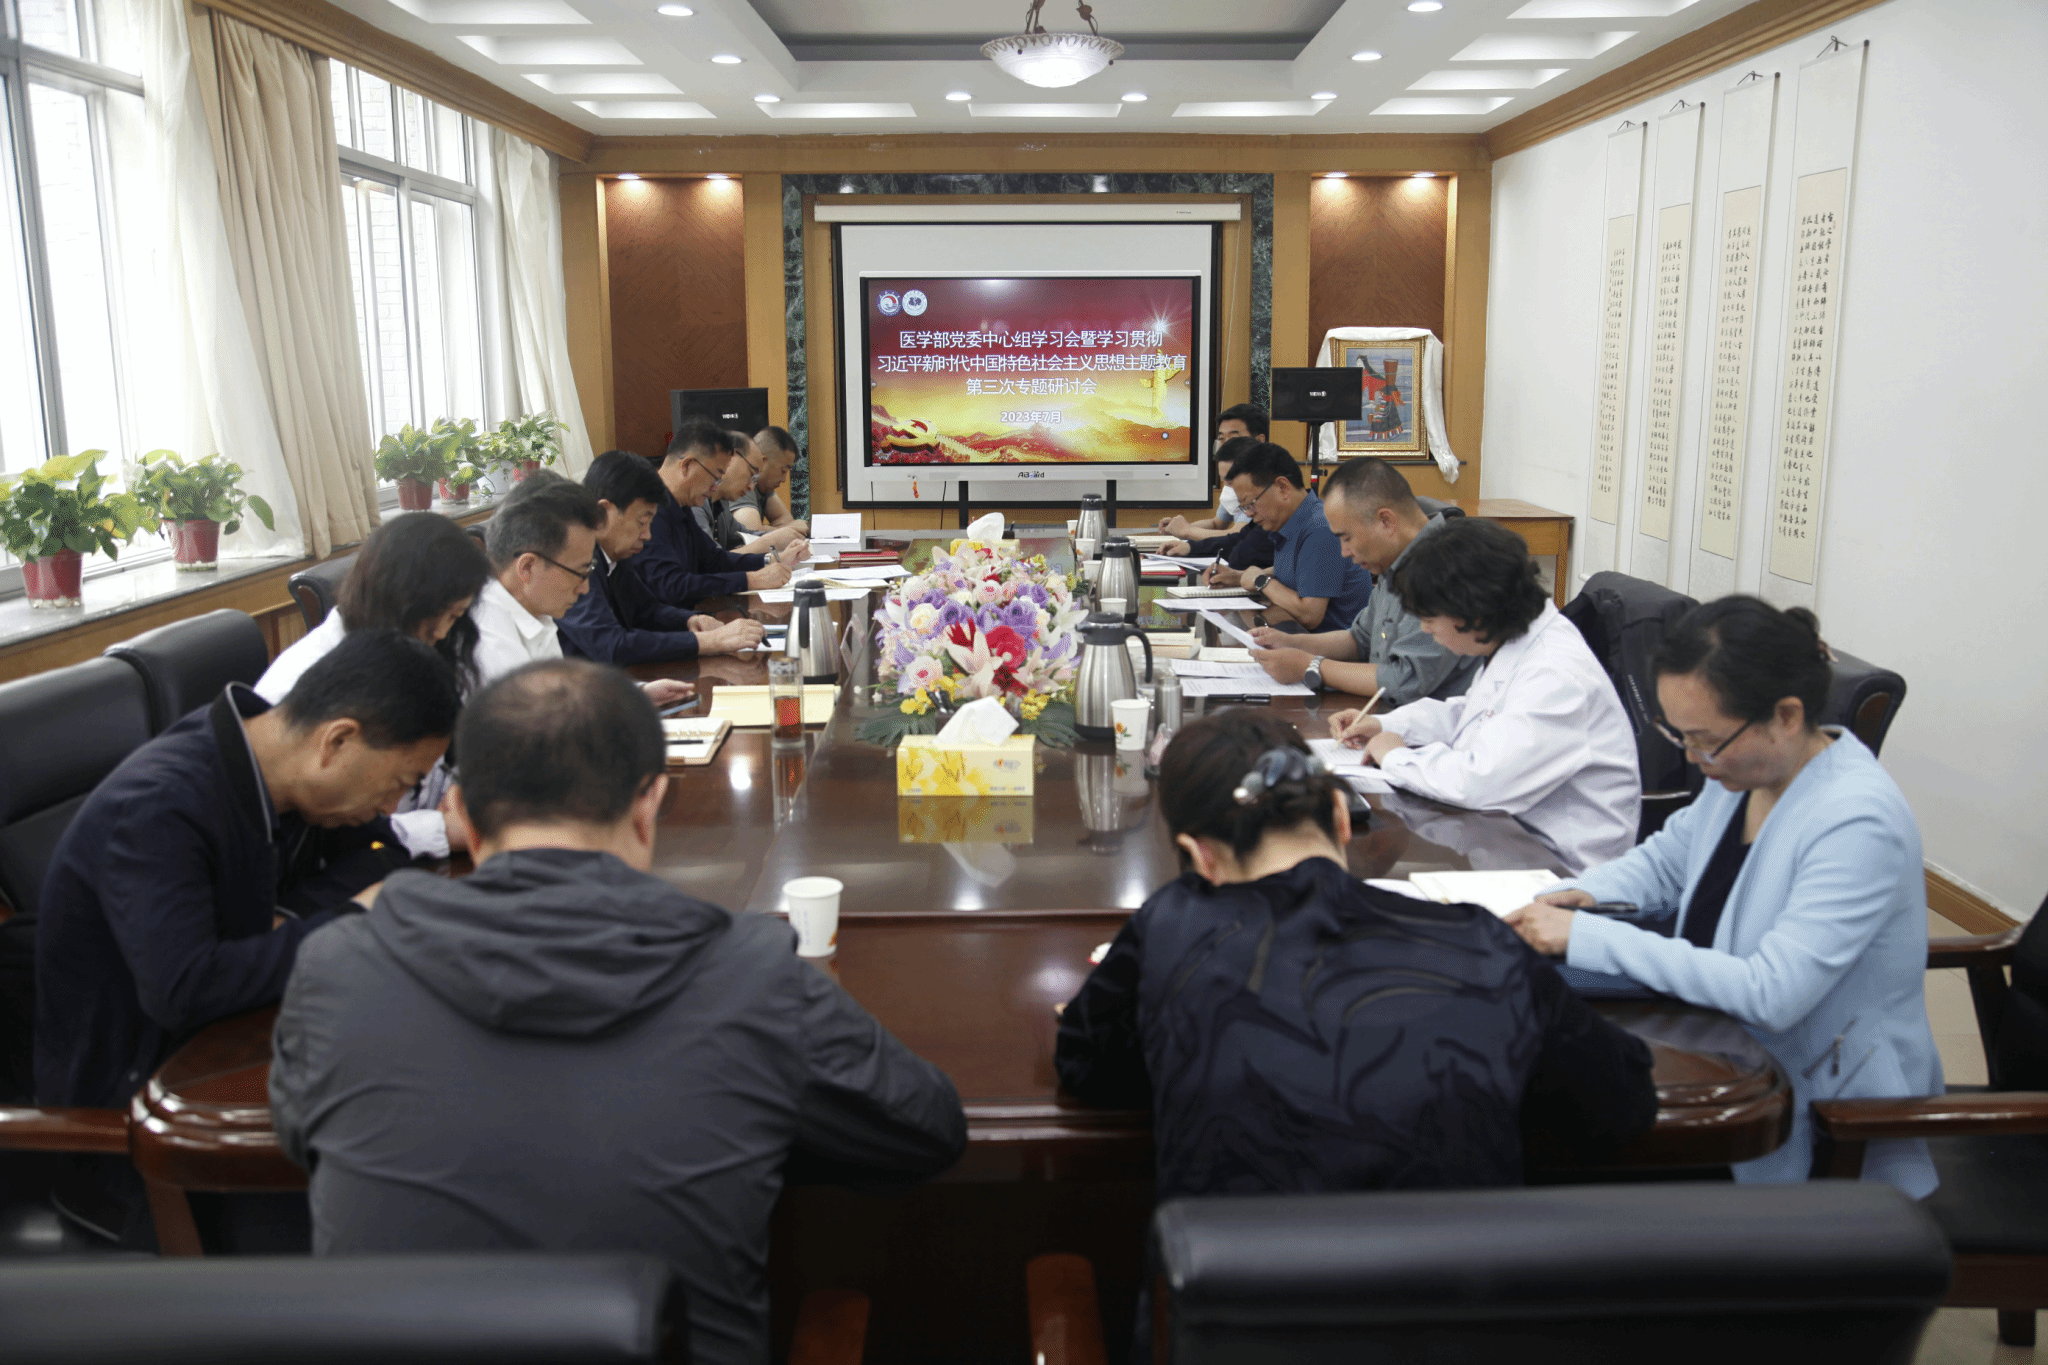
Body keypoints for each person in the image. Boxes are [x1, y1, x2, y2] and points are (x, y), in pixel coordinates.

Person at [272, 659, 968, 1364]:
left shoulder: (336, 968)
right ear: (650, 802)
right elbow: (927, 1128)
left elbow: (304, 1135)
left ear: (461, 814)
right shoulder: (751, 974)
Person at [1055, 710, 1657, 1205]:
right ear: (1343, 819)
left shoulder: (1174, 926)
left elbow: (1086, 1065)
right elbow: (1621, 1105)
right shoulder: (1482, 944)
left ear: (1198, 856)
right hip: (1466, 1305)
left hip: (1237, 1307)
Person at [1504, 598, 1942, 1195]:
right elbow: (1666, 862)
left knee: (1556, 1155)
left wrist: (1589, 937)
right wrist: (1572, 897)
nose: (1692, 759)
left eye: (1704, 740)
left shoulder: (1856, 821)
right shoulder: (1749, 770)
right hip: (1720, 1041)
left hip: (1815, 1112)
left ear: (1786, 716)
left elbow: (1771, 993)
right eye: (1680, 736)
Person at [37, 628, 459, 1116]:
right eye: (399, 783)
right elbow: (187, 990)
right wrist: (349, 919)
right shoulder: (159, 808)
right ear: (338, 740)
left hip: (248, 1038)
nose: (390, 805)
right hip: (144, 1109)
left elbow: (383, 851)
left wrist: (285, 920)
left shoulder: (290, 773)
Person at [1326, 517, 1640, 874]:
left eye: (1429, 617)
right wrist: (1385, 724)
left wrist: (1396, 757)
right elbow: (1474, 714)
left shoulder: (1556, 676)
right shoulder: (1519, 640)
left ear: (1471, 609)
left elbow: (1478, 783)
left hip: (1562, 870)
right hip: (1507, 839)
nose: (1425, 629)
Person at [256, 513, 490, 858]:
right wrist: (438, 830)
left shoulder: (414, 652)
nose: (442, 632)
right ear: (401, 598)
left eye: (455, 617)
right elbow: (322, 829)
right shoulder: (300, 683)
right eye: (438, 614)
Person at [1248, 455, 1479, 704]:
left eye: (1347, 538)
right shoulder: (1396, 563)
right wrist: (1290, 642)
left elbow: (1406, 681)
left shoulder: (1444, 568)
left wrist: (1312, 666)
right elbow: (1359, 639)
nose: (1344, 552)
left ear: (1386, 521)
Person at [473, 473, 693, 708]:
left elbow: (560, 694)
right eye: (580, 572)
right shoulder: (490, 644)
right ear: (527, 567)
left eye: (590, 570)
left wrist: (637, 694)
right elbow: (549, 724)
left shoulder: (532, 609)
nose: (585, 587)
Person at [559, 451, 767, 665]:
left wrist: (691, 620)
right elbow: (611, 646)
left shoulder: (613, 553)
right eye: (642, 522)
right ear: (603, 512)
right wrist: (709, 641)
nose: (647, 535)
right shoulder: (572, 560)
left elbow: (646, 610)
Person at [631, 419, 806, 610]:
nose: (716, 487)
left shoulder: (680, 505)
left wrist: (769, 560)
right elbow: (670, 584)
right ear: (687, 466)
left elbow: (713, 559)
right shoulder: (648, 507)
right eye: (715, 476)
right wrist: (751, 580)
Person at [1202, 442, 1374, 631]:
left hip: (1327, 645)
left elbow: (1309, 615)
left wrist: (1261, 582)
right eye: (1244, 508)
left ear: (1283, 488)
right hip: (1292, 636)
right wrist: (1237, 577)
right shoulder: (1292, 521)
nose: (1249, 514)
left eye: (1251, 503)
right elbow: (1297, 570)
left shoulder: (1320, 528)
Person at [1158, 404, 1268, 545]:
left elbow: (1239, 535)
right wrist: (1178, 528)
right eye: (1221, 439)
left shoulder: (1264, 482)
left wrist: (1187, 531)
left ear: (1259, 441)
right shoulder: (1235, 476)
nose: (1225, 446)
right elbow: (1216, 524)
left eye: (1233, 439)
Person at [699, 431, 806, 558]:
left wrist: (783, 535)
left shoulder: (720, 502)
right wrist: (769, 542)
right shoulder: (694, 501)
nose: (751, 487)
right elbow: (709, 562)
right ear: (730, 458)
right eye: (752, 474)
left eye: (755, 479)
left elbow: (743, 534)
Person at [744, 426, 809, 536]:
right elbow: (753, 532)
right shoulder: (743, 483)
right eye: (783, 471)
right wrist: (791, 529)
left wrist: (783, 528)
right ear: (762, 461)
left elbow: (785, 519)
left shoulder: (763, 487)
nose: (783, 479)